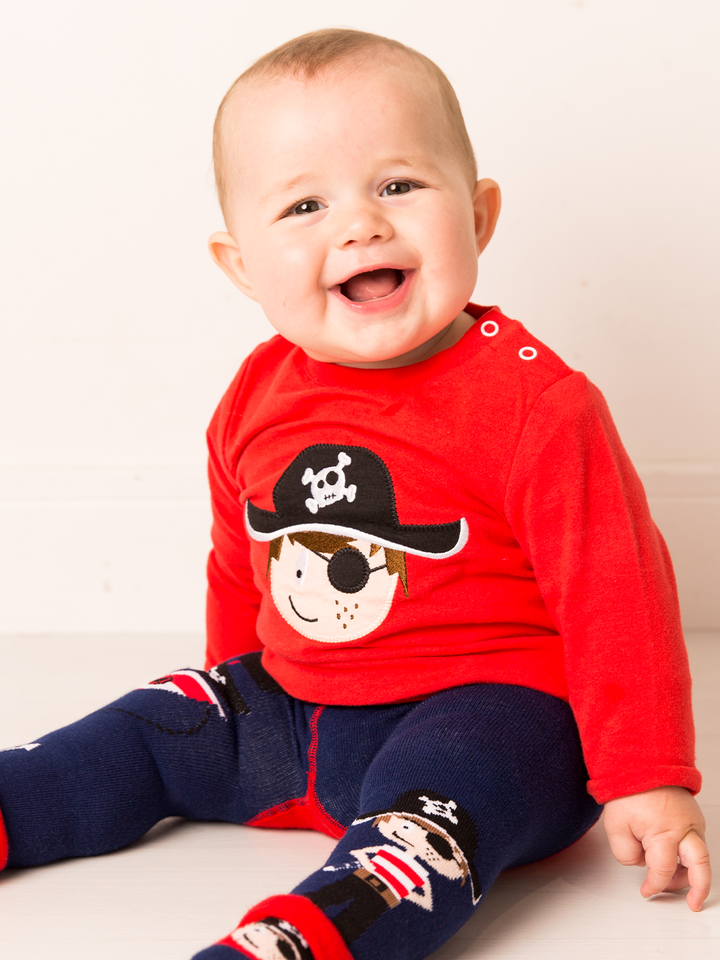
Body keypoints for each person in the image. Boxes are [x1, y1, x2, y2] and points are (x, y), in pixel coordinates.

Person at [0, 27, 711, 960]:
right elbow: (240, 562)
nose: (360, 225)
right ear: (241, 266)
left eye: (399, 186)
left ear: (479, 216)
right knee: (137, 731)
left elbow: (616, 594)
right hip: (299, 712)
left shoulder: (538, 404)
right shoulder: (256, 393)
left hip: (490, 712)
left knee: (431, 826)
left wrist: (647, 772)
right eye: (305, 205)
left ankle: (302, 942)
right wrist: (231, 700)